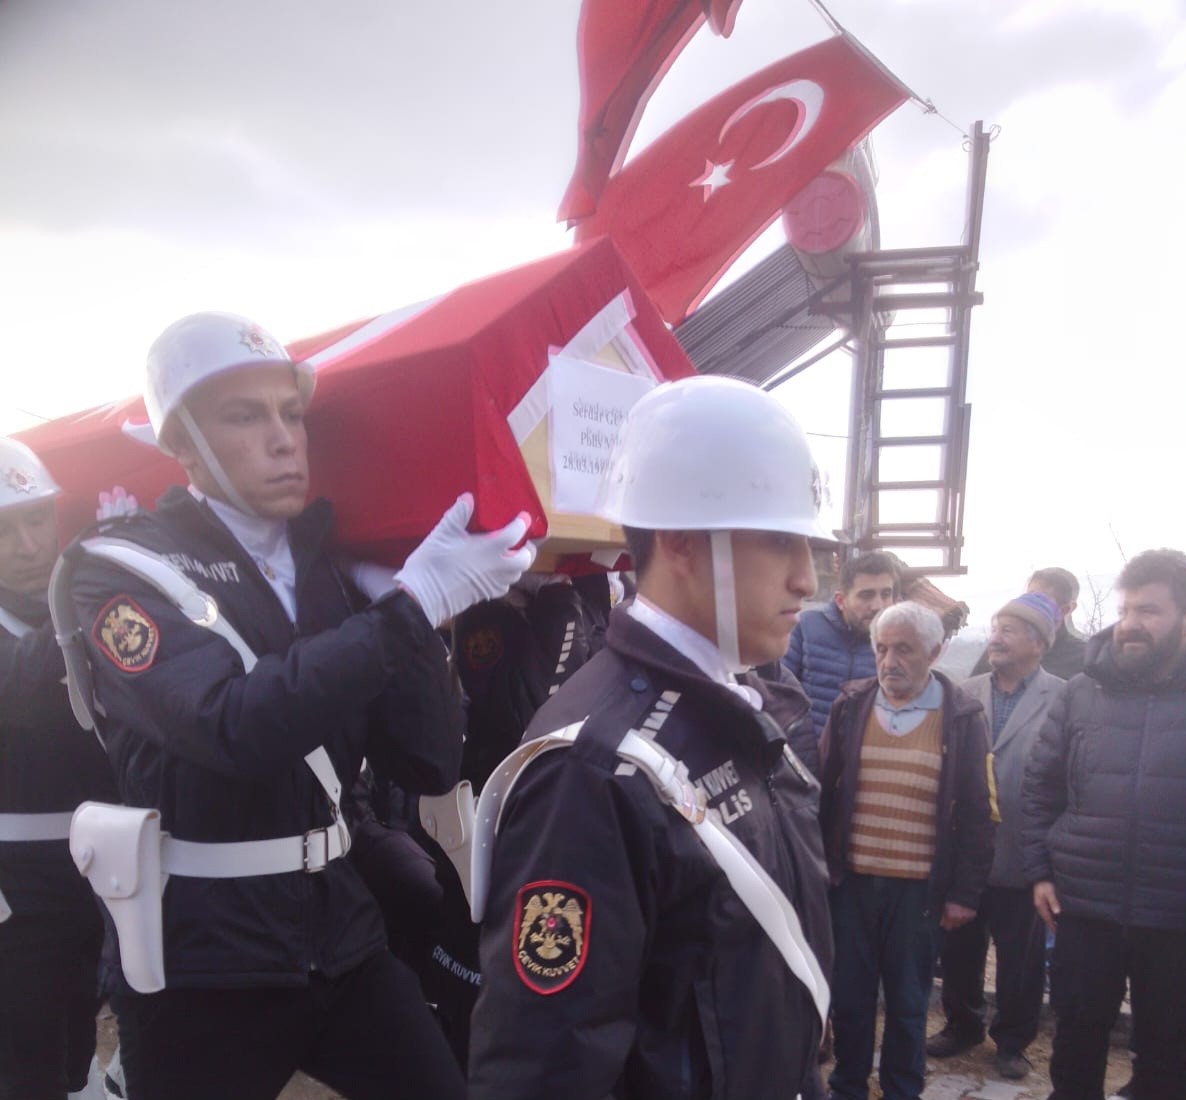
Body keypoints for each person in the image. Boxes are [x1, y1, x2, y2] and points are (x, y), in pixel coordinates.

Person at [58, 312, 535, 1100]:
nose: (284, 438)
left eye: (291, 413)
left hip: (338, 929)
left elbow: (426, 759)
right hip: (203, 960)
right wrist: (409, 609)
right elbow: (232, 724)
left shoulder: (328, 566)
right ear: (181, 445)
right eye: (244, 416)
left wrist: (411, 619)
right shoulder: (119, 569)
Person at [468, 376, 835, 1100]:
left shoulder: (747, 702)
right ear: (679, 542)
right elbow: (540, 1069)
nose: (807, 579)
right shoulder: (594, 769)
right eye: (778, 540)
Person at [1023, 548, 1186, 1100]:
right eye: (1125, 610)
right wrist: (1040, 871)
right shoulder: (1082, 690)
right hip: (1085, 907)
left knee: (1168, 1059)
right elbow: (1040, 786)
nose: (1130, 625)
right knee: (1074, 1046)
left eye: (1149, 611)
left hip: (1179, 914)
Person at [819, 601, 996, 1100]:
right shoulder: (850, 706)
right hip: (851, 885)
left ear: (936, 652)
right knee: (850, 998)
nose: (888, 660)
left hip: (919, 890)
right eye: (881, 648)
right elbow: (822, 792)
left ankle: (902, 1089)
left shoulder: (961, 716)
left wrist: (964, 893)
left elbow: (981, 814)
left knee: (908, 1001)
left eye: (904, 649)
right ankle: (847, 1087)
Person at [0, 438, 119, 1100]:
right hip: (12, 891)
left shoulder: (73, 604)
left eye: (37, 520)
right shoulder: (69, 607)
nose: (26, 545)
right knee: (30, 1071)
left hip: (91, 874)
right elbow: (24, 686)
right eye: (4, 530)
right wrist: (91, 576)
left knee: (75, 1055)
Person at [929, 591, 1065, 1079]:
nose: (996, 638)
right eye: (994, 627)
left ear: (1039, 642)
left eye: (1009, 629)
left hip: (1027, 850)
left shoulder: (1063, 696)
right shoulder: (965, 691)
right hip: (968, 847)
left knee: (1021, 959)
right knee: (961, 946)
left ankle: (1012, 1041)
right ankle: (962, 1023)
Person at [783, 550, 898, 761]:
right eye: (866, 595)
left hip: (860, 769)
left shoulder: (896, 646)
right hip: (804, 765)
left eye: (886, 594)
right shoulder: (805, 628)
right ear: (840, 600)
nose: (878, 606)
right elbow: (778, 696)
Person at [972, 567, 1086, 681]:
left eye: (1040, 600)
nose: (1029, 605)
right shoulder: (1002, 645)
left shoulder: (1083, 658)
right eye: (1027, 597)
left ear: (1066, 609)